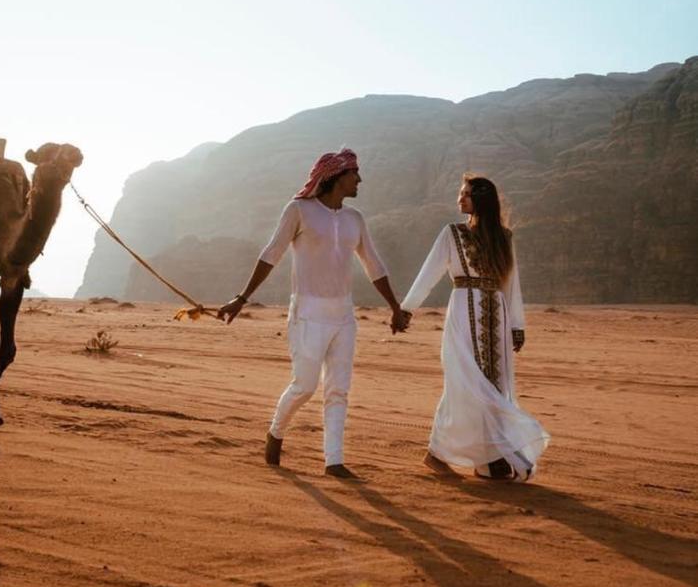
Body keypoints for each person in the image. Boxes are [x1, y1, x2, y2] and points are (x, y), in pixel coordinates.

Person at [218, 148, 410, 479]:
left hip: (343, 316)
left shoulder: (355, 219)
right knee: (305, 386)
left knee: (338, 390)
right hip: (308, 313)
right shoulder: (300, 210)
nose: (360, 179)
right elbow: (271, 254)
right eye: (354, 174)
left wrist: (395, 307)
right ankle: (276, 431)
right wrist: (242, 298)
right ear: (336, 177)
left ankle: (333, 461)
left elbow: (373, 265)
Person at [400, 174, 549, 482]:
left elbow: (510, 283)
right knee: (464, 384)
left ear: (481, 200)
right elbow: (428, 274)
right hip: (462, 318)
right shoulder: (451, 234)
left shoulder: (504, 238)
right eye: (461, 193)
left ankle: (489, 457)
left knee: (494, 387)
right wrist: (406, 309)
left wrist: (517, 325)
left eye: (466, 194)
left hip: (498, 316)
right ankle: (439, 454)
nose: (460, 199)